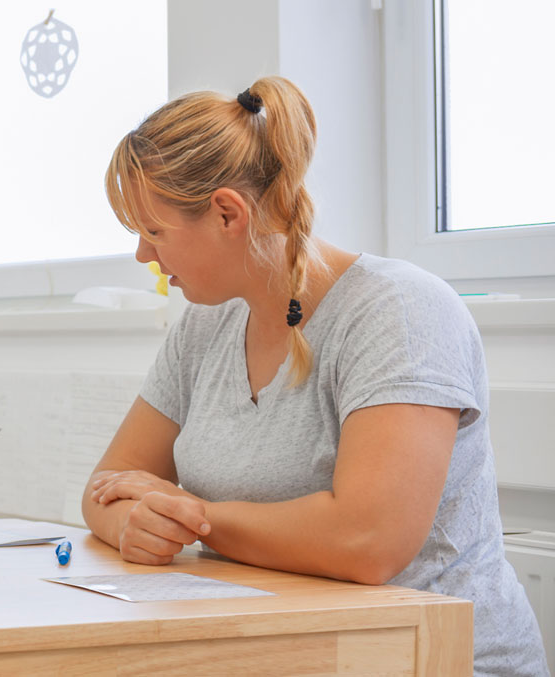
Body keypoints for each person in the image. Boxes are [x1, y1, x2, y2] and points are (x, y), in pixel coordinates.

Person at [84, 76, 545, 675]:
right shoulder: (204, 329)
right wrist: (134, 525)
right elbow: (108, 484)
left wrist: (193, 515)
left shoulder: (400, 312)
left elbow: (366, 543)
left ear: (227, 213)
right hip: (286, 650)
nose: (145, 257)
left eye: (153, 232)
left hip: (430, 658)